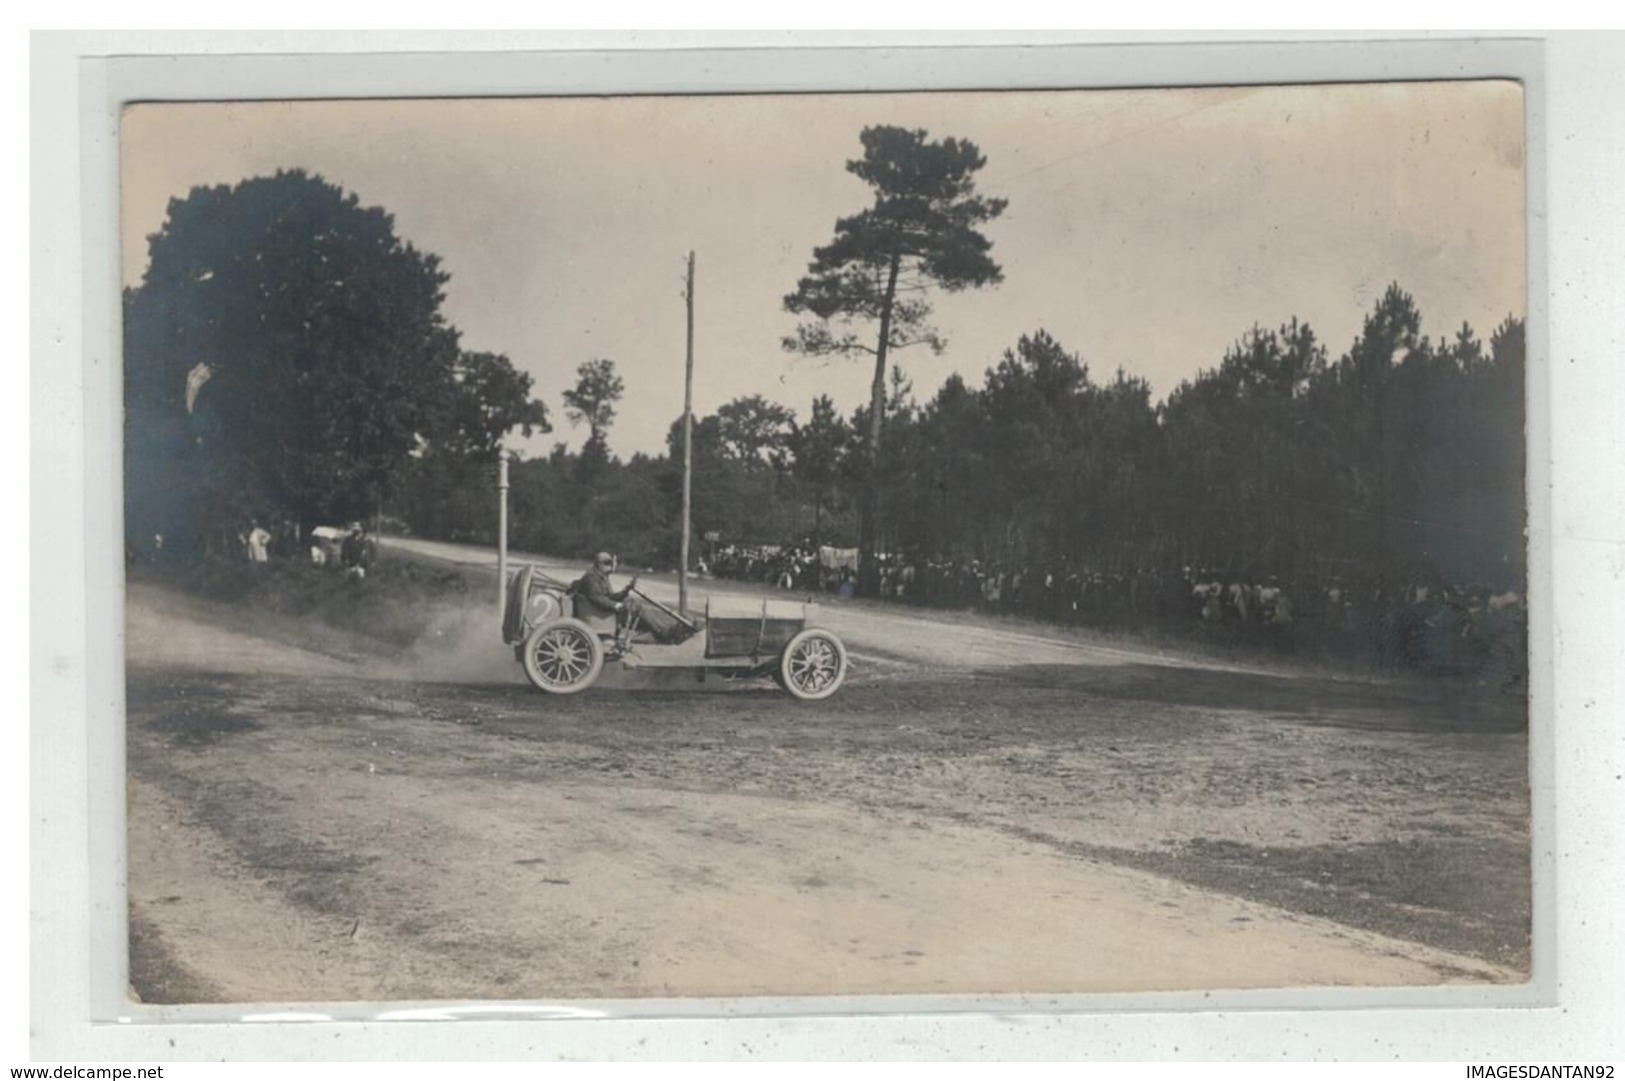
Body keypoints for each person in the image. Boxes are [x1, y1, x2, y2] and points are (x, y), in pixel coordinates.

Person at [574, 551, 643, 633]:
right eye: (606, 563)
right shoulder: (591, 577)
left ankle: (658, 631)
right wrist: (615, 605)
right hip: (596, 611)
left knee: (636, 606)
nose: (609, 566)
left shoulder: (600, 575)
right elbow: (596, 598)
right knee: (640, 612)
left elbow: (608, 596)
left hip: (601, 608)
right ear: (599, 564)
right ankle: (660, 631)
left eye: (610, 563)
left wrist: (626, 591)